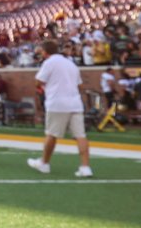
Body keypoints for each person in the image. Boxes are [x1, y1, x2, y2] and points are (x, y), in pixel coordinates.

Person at [28, 40, 94, 178]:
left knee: (51, 134)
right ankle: (85, 167)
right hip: (75, 103)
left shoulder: (49, 62)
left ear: (45, 52)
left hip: (57, 103)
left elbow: (38, 82)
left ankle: (44, 163)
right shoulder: (71, 63)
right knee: (80, 136)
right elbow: (80, 86)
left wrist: (44, 87)